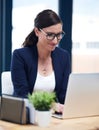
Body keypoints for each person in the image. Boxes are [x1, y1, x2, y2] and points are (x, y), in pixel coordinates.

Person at [11, 9, 71, 113]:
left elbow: (64, 96)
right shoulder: (20, 56)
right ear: (37, 31)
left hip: (53, 117)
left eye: (59, 35)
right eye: (50, 35)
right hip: (25, 115)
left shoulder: (63, 57)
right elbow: (22, 96)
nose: (55, 40)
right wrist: (50, 105)